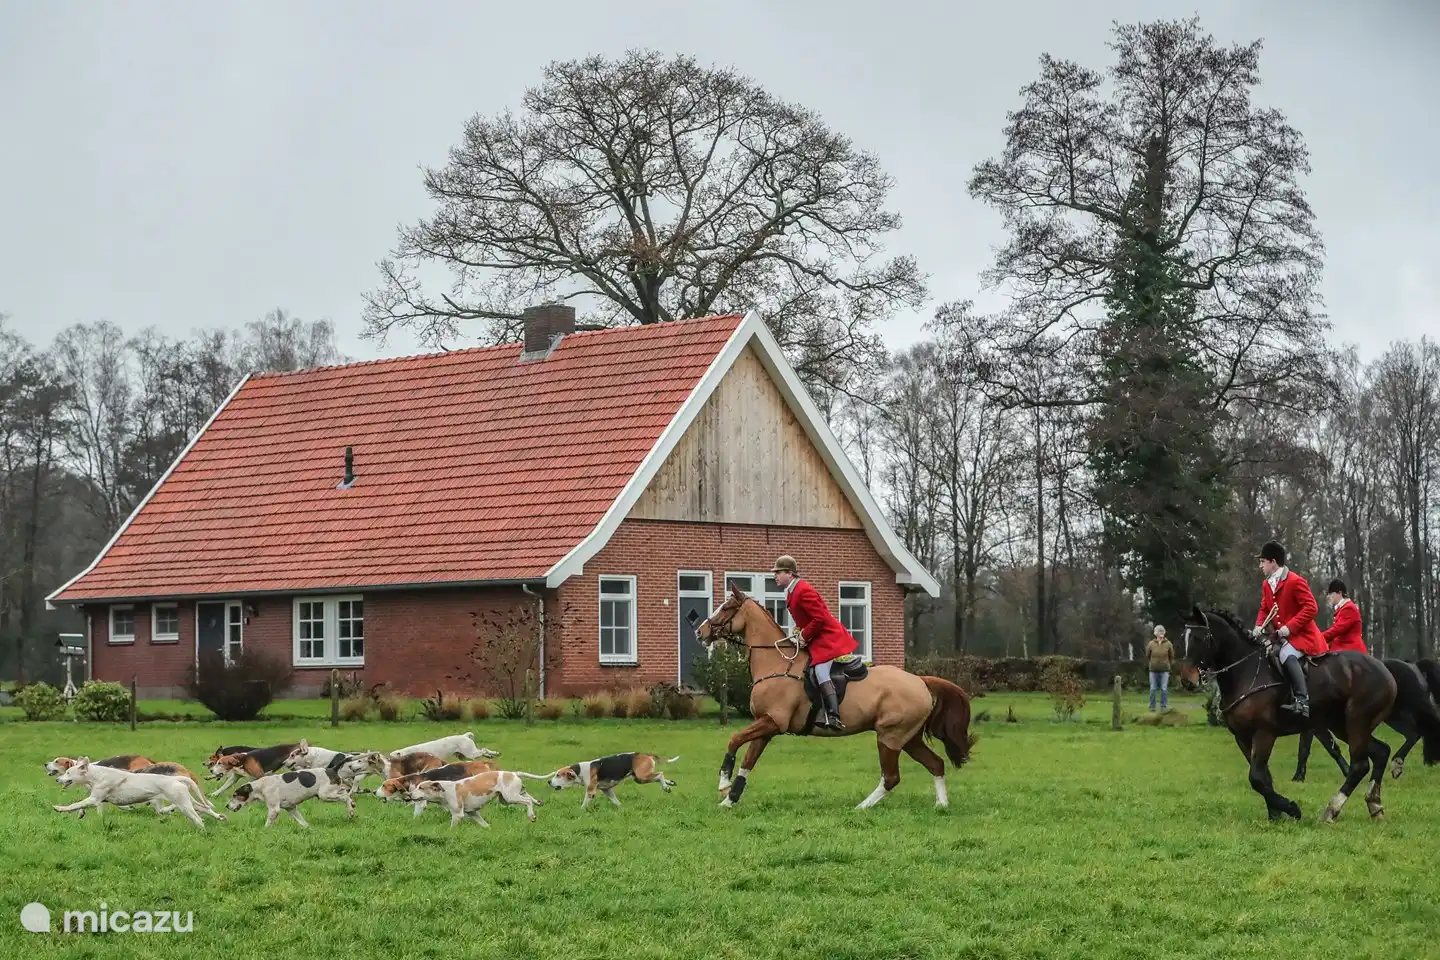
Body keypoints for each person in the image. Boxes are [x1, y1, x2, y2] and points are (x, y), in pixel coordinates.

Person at [771, 555, 858, 731]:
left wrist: (803, 635)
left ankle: (833, 715)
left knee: (820, 671)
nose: (775, 576)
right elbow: (806, 618)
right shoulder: (791, 592)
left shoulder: (804, 590)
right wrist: (797, 631)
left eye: (778, 572)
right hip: (816, 638)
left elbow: (820, 618)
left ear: (790, 573)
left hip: (827, 638)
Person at [1251, 540, 1327, 718]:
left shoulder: (1295, 581)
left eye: (1263, 561)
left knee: (1285, 655)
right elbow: (1264, 608)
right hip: (1282, 636)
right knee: (1268, 654)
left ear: (1273, 562)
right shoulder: (1267, 584)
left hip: (1303, 635)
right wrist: (1258, 626)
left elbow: (1312, 608)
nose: (1260, 565)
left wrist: (1289, 628)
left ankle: (1302, 700)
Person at [1321, 578, 1367, 654]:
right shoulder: (1342, 608)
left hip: (1350, 649)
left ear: (1339, 593)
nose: (1329, 596)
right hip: (1342, 648)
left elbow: (1337, 629)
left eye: (1331, 594)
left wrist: (1319, 637)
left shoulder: (1349, 608)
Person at [1145, 624, 1175, 712]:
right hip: (1153, 670)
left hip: (1165, 670)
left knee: (1164, 689)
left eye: (1162, 631)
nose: (1161, 633)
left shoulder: (1168, 644)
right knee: (1153, 689)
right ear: (1156, 633)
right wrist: (1151, 664)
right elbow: (1147, 655)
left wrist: (1168, 664)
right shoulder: (1151, 644)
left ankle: (1163, 707)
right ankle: (1152, 707)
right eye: (1159, 631)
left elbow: (1171, 656)